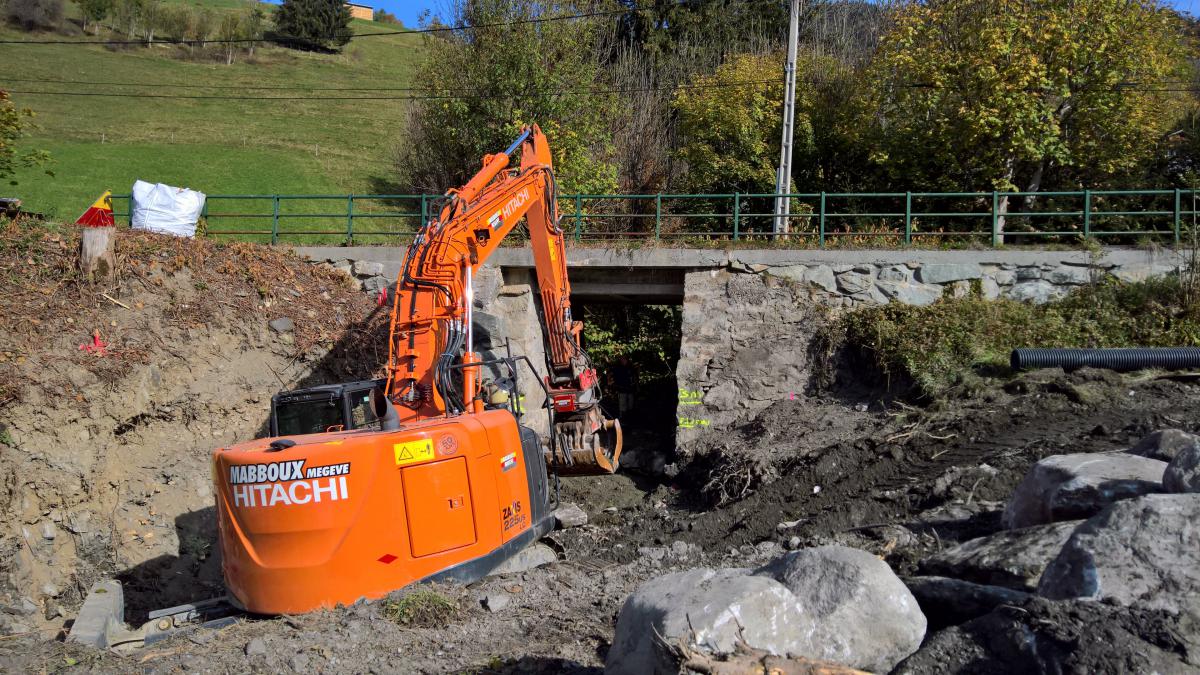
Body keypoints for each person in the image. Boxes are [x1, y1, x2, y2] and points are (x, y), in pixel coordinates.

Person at [610, 355, 637, 420]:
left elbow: (634, 377)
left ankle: (630, 416)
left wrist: (636, 385)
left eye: (624, 359)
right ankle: (622, 417)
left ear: (626, 360)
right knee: (622, 404)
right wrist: (613, 384)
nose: (622, 360)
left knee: (630, 403)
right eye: (621, 359)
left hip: (630, 388)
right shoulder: (618, 368)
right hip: (621, 388)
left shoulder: (630, 367)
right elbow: (613, 376)